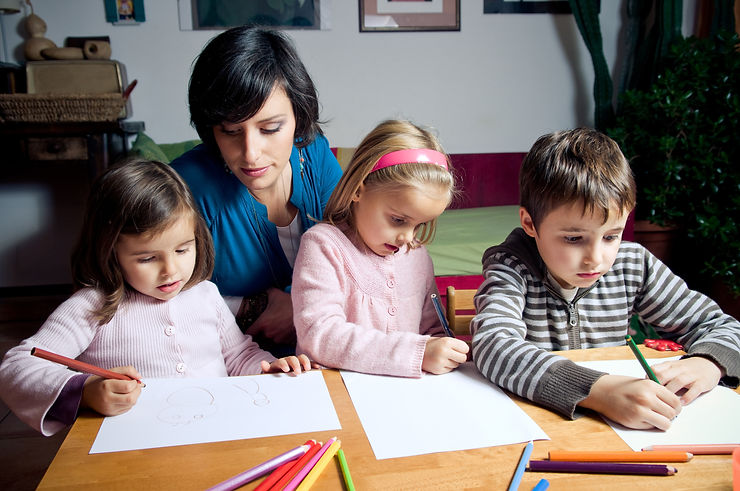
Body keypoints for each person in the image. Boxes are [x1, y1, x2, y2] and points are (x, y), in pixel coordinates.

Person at [0, 160, 311, 436]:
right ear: (111, 251)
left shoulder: (204, 294)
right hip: (133, 448)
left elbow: (238, 356)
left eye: (182, 249)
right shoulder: (93, 306)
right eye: (147, 258)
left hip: (214, 436)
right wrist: (86, 391)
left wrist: (268, 367)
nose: (171, 270)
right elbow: (17, 367)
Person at [471, 128, 740, 430]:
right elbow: (493, 346)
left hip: (618, 431)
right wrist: (598, 391)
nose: (595, 258)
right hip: (539, 426)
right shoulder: (511, 268)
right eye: (573, 238)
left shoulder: (633, 265)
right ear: (530, 223)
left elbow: (722, 326)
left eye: (612, 236)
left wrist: (708, 363)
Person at [171, 26, 342, 353]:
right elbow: (149, 297)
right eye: (231, 131)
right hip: (224, 365)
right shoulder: (186, 186)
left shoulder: (314, 153)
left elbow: (355, 247)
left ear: (298, 116)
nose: (250, 153)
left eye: (270, 128)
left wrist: (299, 304)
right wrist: (252, 306)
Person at [292, 119, 470, 377]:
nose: (407, 237)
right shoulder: (323, 245)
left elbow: (432, 331)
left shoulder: (417, 256)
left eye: (420, 225)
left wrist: (445, 349)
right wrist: (417, 353)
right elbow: (319, 334)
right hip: (335, 395)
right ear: (358, 190)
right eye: (398, 220)